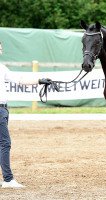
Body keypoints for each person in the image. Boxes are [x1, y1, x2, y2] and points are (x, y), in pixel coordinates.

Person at [0, 42, 51, 188]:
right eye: (0, 46)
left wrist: (39, 80)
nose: (2, 49)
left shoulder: (2, 68)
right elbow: (19, 80)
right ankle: (8, 179)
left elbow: (20, 80)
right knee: (4, 143)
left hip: (3, 109)